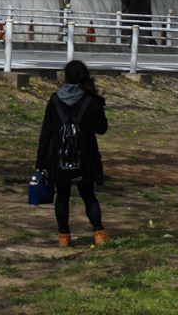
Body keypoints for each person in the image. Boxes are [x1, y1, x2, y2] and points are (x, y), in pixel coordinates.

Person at [36, 59, 109, 247]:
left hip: (59, 159)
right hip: (85, 158)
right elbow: (102, 128)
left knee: (62, 197)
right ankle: (99, 233)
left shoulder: (54, 100)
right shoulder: (92, 100)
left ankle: (64, 237)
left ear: (65, 78)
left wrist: (40, 160)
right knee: (89, 196)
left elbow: (46, 132)